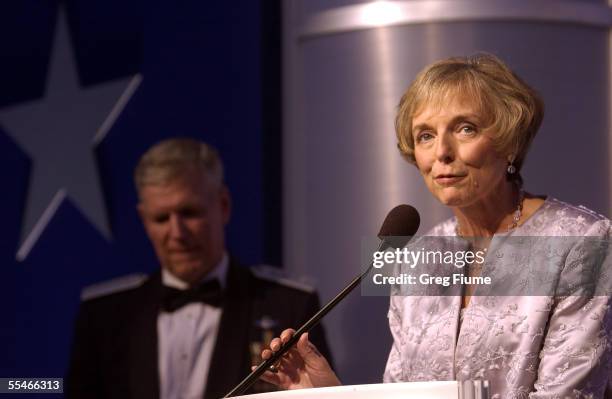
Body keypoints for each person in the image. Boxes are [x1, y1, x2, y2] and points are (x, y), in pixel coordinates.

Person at [258, 54, 612, 397]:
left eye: (465, 128)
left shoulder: (581, 243)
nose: (441, 151)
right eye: (425, 135)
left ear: (509, 142)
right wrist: (329, 394)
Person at [66, 138, 332, 399]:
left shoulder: (290, 304)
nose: (177, 232)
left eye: (189, 212)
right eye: (161, 218)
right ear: (144, 221)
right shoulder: (103, 315)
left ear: (223, 206)